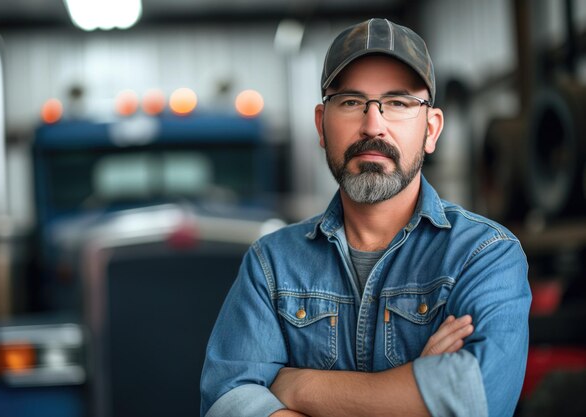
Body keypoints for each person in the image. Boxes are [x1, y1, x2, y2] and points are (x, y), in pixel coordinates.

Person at [200, 18, 531, 417]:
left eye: (398, 102)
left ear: (432, 128)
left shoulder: (482, 256)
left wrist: (298, 386)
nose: (373, 125)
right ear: (322, 124)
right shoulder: (271, 266)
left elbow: (476, 397)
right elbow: (227, 402)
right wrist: (414, 391)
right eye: (352, 102)